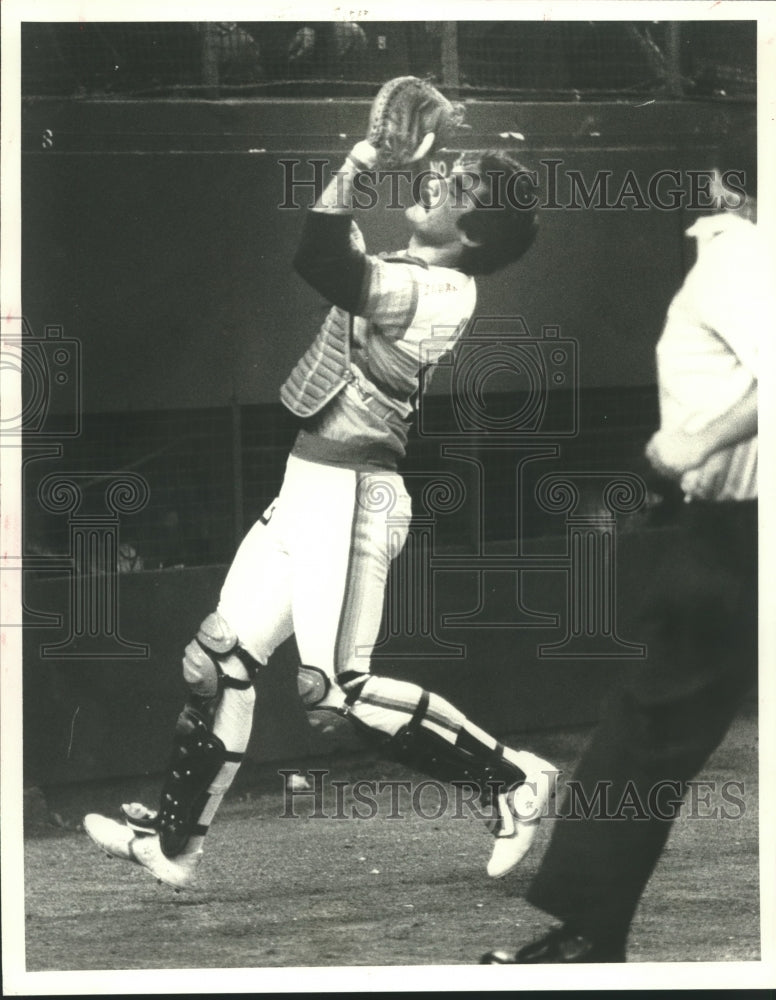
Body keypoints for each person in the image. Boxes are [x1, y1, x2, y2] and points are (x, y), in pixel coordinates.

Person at [84, 129, 558, 890]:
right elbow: (338, 253)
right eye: (448, 168)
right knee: (218, 659)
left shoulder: (444, 292)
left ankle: (510, 781)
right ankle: (174, 848)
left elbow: (322, 260)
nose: (438, 178)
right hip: (305, 489)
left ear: (473, 234)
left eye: (459, 186)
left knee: (335, 692)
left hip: (356, 496)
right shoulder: (407, 268)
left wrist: (364, 158)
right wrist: (362, 171)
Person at [481, 173, 765, 963]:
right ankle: (588, 932)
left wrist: (695, 444)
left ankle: (588, 936)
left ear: (723, 185)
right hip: (733, 533)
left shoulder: (734, 254)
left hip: (739, 535)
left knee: (648, 726)